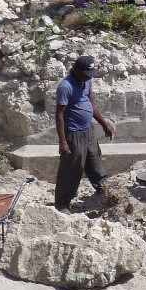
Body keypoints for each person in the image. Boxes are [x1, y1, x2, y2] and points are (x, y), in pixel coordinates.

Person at [54, 55, 114, 211]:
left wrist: (104, 124)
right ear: (76, 70)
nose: (88, 78)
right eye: (86, 74)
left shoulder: (86, 82)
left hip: (88, 130)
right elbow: (59, 114)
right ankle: (62, 203)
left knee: (94, 160)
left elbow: (92, 105)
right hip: (73, 133)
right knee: (72, 168)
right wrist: (63, 142)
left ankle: (104, 190)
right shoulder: (65, 87)